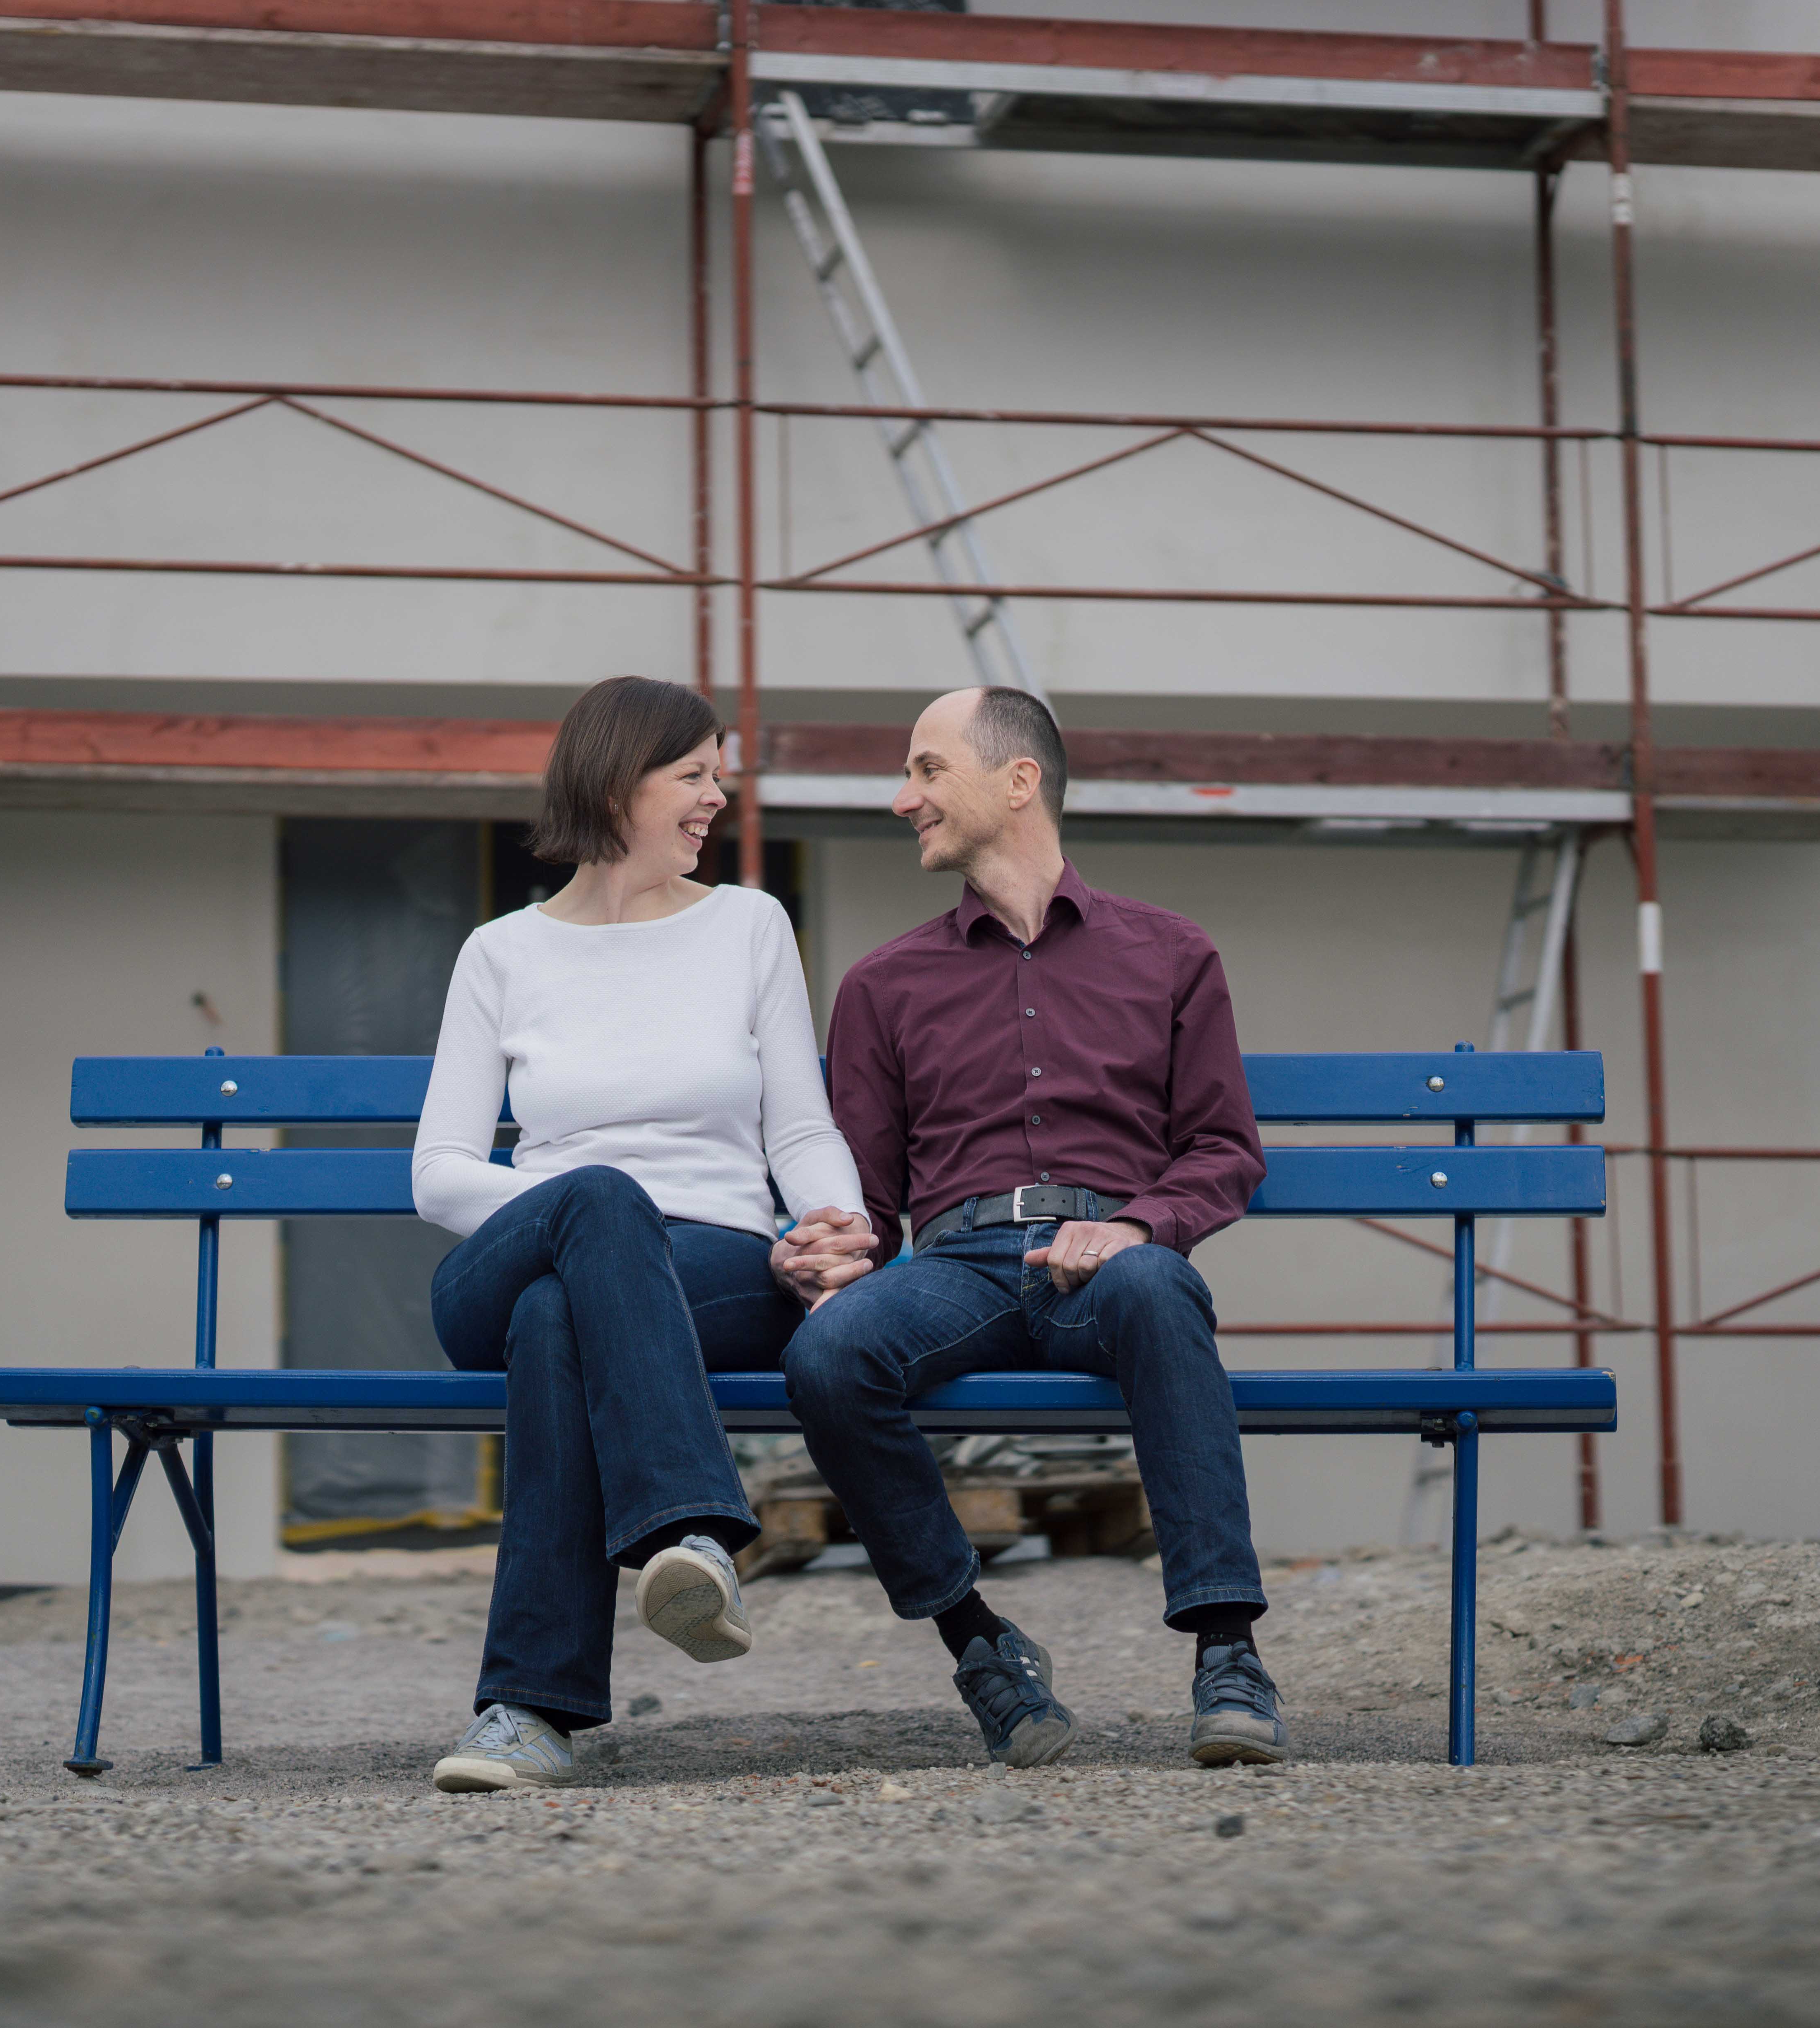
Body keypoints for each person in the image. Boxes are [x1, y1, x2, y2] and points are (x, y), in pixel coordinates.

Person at [785, 684, 1284, 1770]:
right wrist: (827, 1247)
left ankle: (1229, 1654)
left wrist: (1139, 1227)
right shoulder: (881, 985)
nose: (903, 798)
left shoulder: (1171, 954)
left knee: (1158, 1288)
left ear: (1019, 781)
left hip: (1109, 1265)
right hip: (954, 1271)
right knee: (827, 1350)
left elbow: (1221, 1149)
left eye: (927, 769)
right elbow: (867, 1199)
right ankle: (979, 1645)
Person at [412, 674, 877, 1793]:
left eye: (720, 777)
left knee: (555, 1321)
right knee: (595, 1209)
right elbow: (438, 1173)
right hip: (529, 1243)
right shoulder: (501, 952)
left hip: (714, 1267)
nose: (717, 798)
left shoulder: (748, 927)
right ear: (619, 781)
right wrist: (582, 1207)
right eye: (694, 776)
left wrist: (838, 1227)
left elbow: (798, 1126)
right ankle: (693, 1529)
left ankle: (527, 1713)